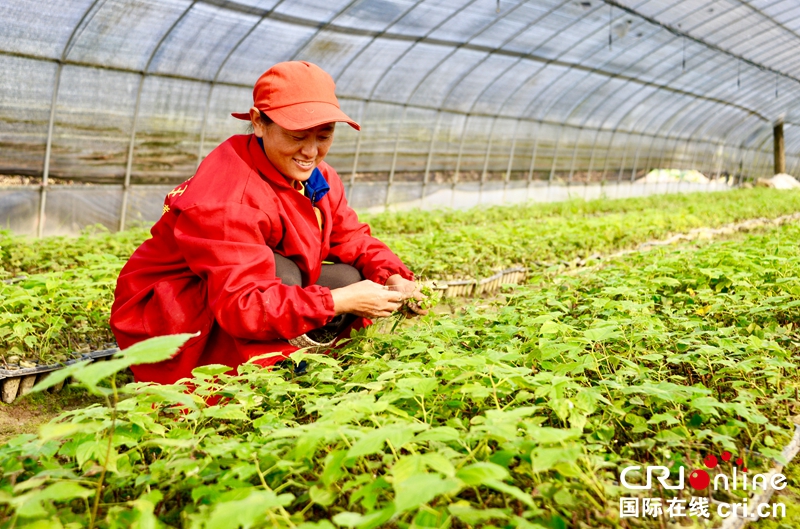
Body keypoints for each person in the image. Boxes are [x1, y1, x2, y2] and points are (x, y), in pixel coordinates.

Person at [110, 61, 425, 385]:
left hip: (237, 290)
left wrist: (394, 276)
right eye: (297, 135)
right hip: (172, 313)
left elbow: (351, 236)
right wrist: (339, 301)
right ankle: (257, 376)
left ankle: (291, 358)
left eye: (324, 135)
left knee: (348, 275)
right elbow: (242, 304)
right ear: (259, 123)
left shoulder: (314, 175)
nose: (311, 151)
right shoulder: (229, 196)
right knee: (287, 275)